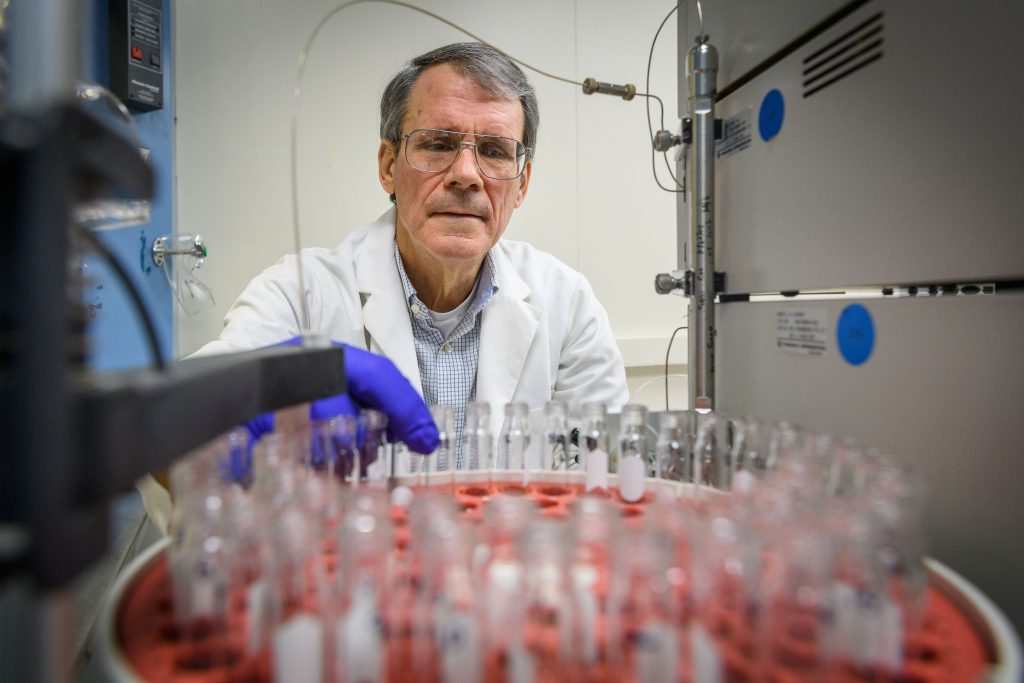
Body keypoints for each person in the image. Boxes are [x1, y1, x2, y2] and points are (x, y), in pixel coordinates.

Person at [199, 42, 628, 463]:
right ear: (388, 166)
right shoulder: (299, 293)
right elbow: (168, 433)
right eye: (438, 144)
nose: (465, 175)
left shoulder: (566, 302)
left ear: (522, 184)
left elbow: (610, 467)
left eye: (494, 151)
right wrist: (241, 418)